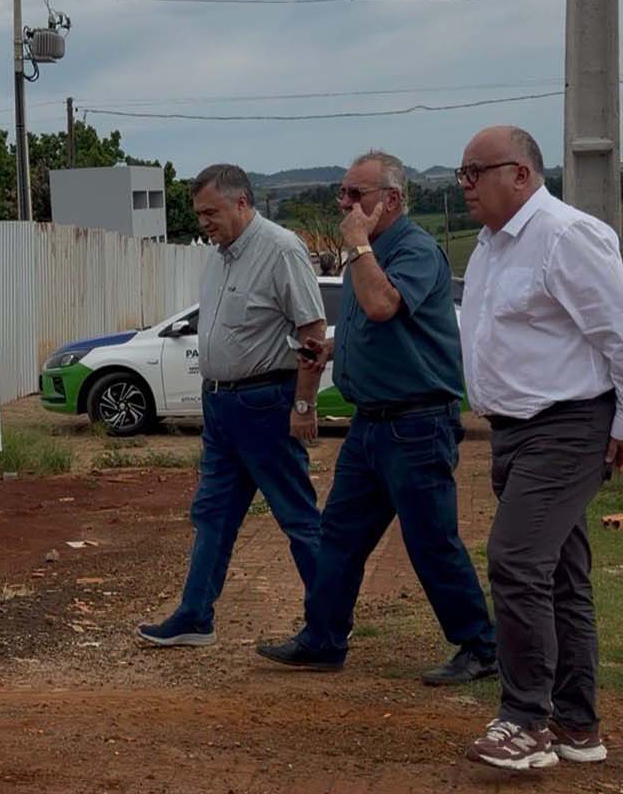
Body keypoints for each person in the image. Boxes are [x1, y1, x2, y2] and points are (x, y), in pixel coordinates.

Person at [256, 150, 497, 685]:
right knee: (339, 534)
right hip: (371, 425)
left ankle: (481, 647)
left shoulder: (413, 250)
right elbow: (370, 325)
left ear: (391, 200)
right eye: (342, 193)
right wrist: (334, 348)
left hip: (417, 423)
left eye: (355, 195)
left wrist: (359, 245)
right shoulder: (369, 253)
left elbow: (385, 305)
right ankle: (323, 639)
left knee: (430, 539)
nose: (345, 204)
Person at [458, 126, 620, 770]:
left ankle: (525, 721)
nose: (464, 184)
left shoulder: (565, 235)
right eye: (463, 173)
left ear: (521, 174)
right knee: (557, 574)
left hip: (568, 423)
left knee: (516, 559)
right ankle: (578, 725)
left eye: (476, 172)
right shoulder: (491, 245)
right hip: (515, 430)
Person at [137, 164, 325, 647]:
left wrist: (303, 405)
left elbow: (311, 333)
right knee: (212, 513)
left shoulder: (281, 250)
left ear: (242, 203)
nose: (203, 222)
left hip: (266, 403)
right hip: (220, 407)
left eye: (211, 212)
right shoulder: (219, 257)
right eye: (198, 213)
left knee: (297, 517)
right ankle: (195, 616)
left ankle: (328, 623)